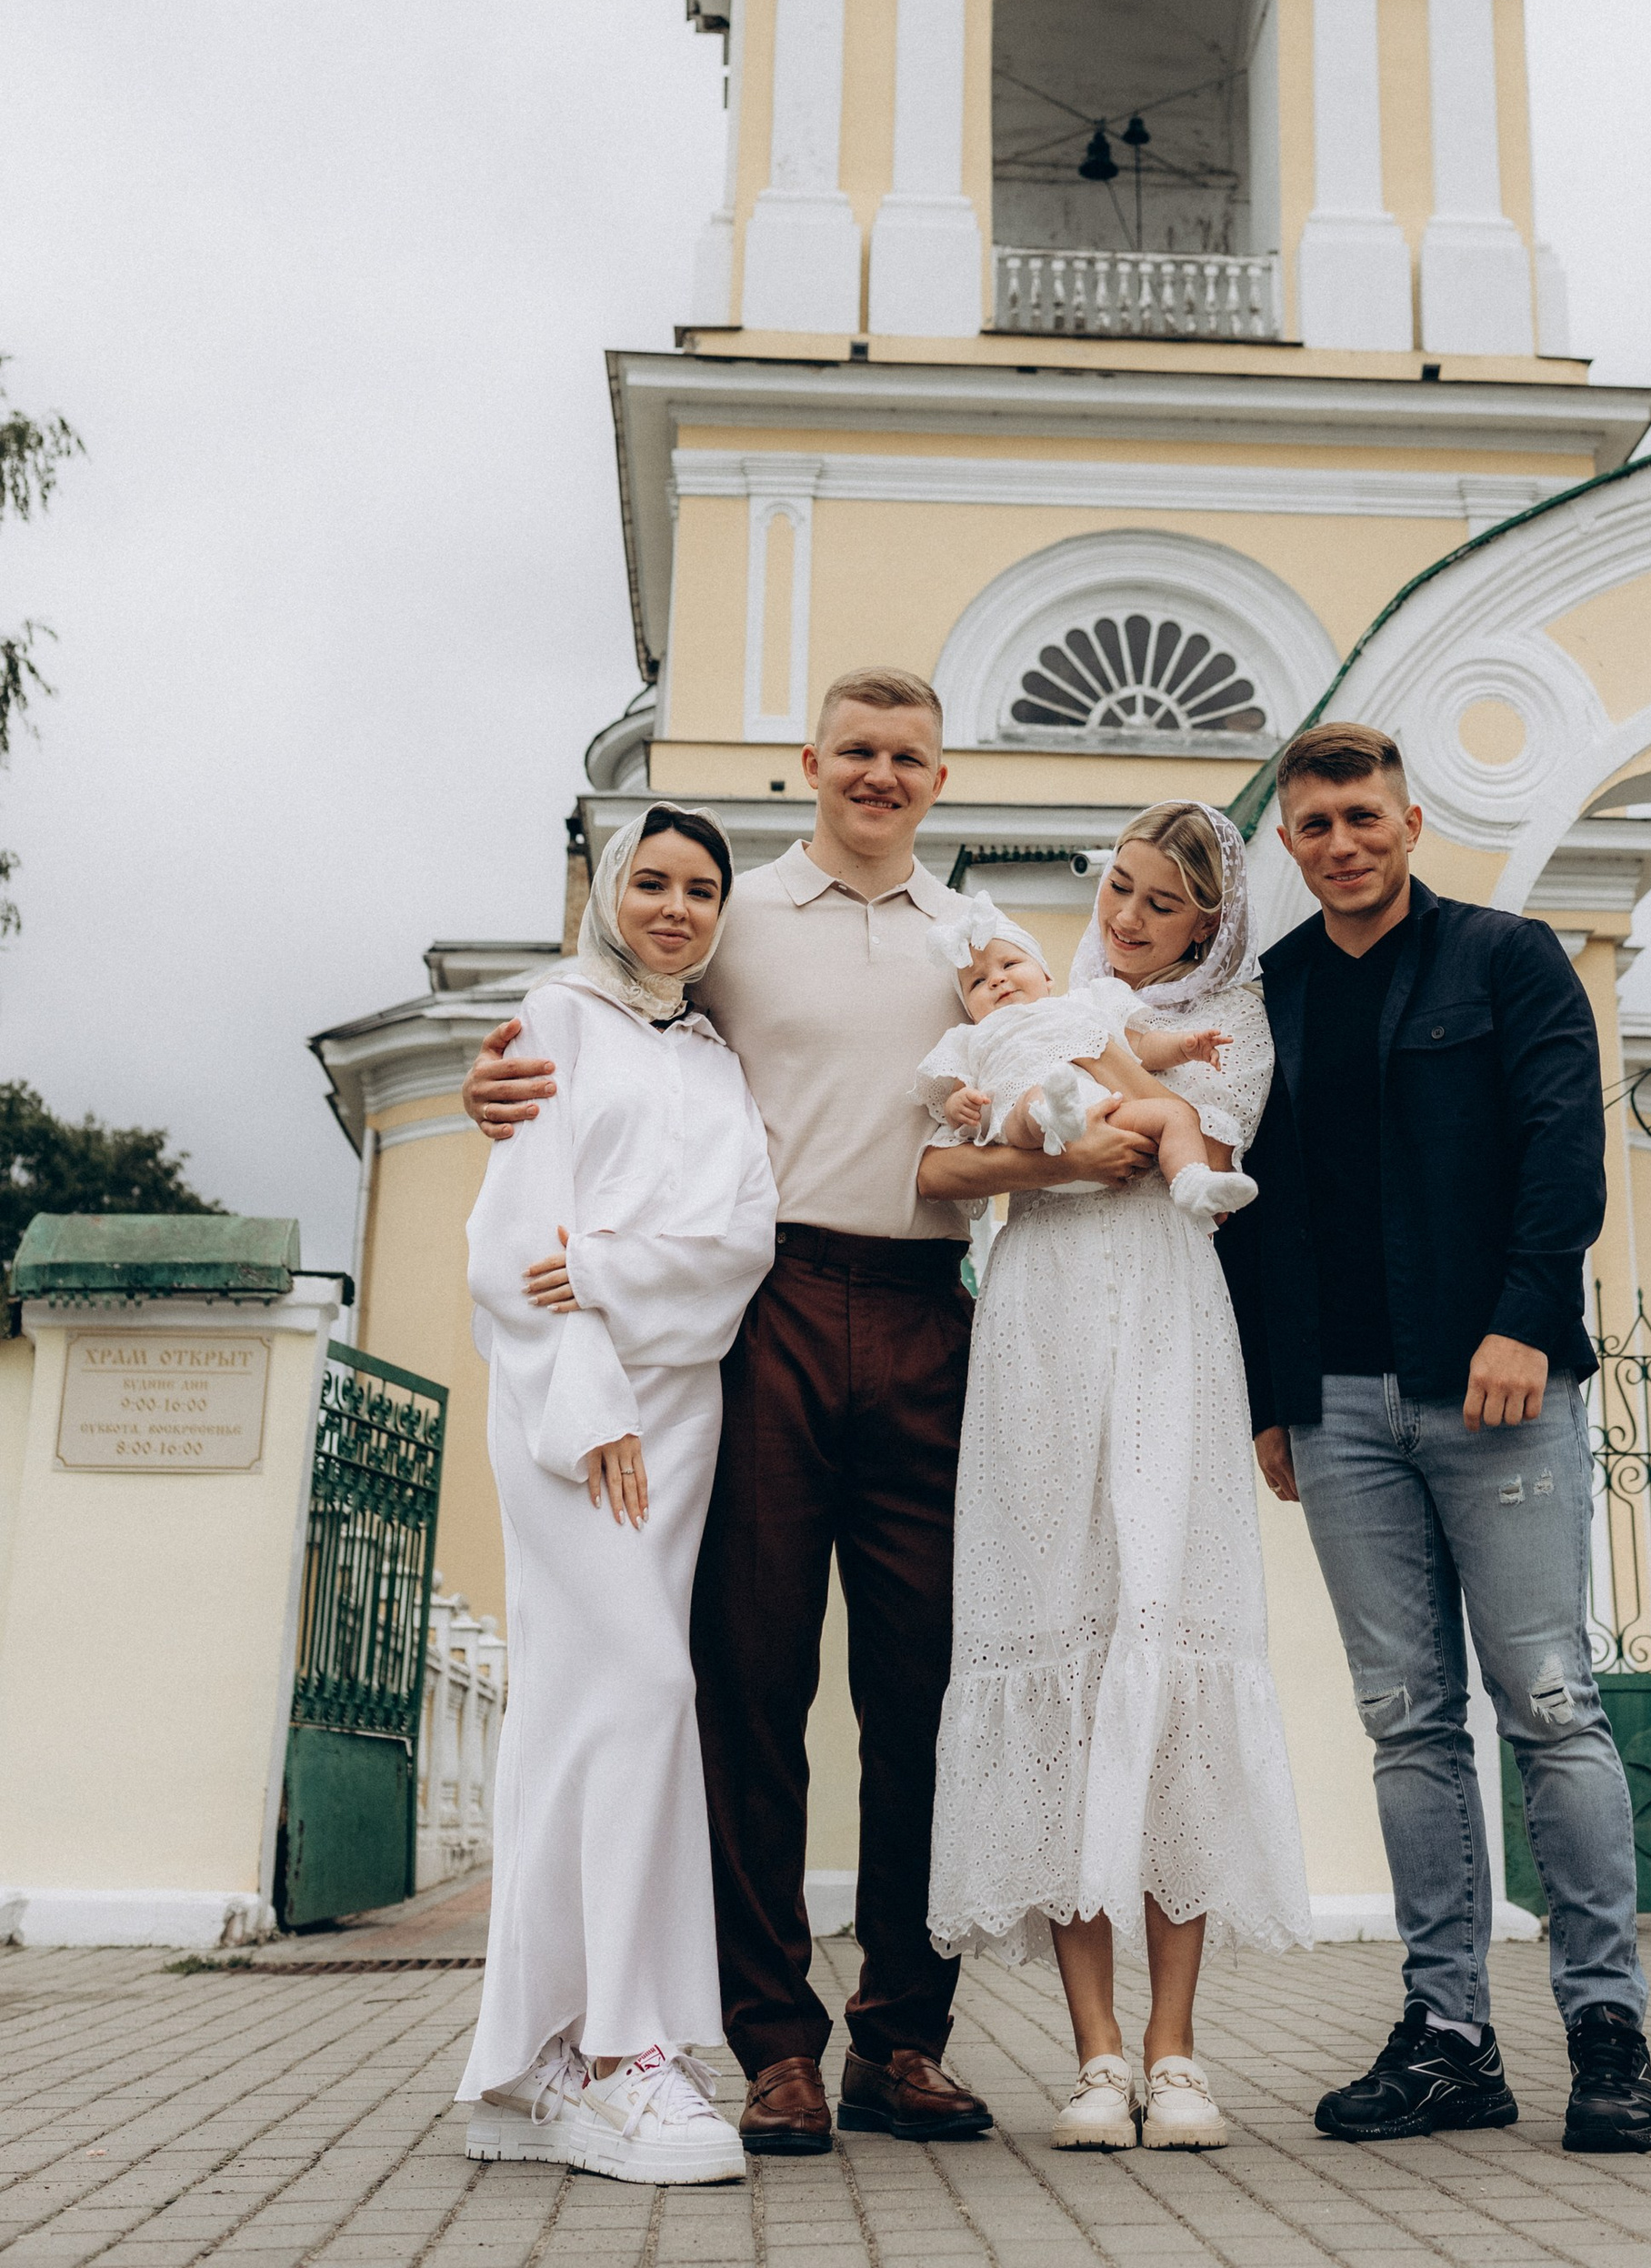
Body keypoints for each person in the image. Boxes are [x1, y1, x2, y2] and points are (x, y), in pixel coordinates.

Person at [461, 673, 1150, 2162]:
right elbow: (609, 1020)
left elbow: (1066, 1082)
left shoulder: (979, 936)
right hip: (767, 1321)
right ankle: (769, 2045)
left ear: (940, 778)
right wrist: (501, 1083)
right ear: (811, 765)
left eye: (909, 757)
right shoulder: (735, 920)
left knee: (924, 1699)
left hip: (928, 1314)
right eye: (858, 752)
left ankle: (903, 2040)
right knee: (749, 1686)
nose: (882, 775)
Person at [1217, 721, 1651, 2157]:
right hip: (1340, 1406)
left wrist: (1526, 1317)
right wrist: (1270, 1398)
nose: (1340, 844)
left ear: (1410, 822)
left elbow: (1562, 1149)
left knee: (1547, 1701)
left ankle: (1607, 2027)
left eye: (1361, 817)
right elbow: (1253, 1211)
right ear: (1288, 846)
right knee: (1407, 1720)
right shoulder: (1270, 993)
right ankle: (1451, 2035)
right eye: (1314, 828)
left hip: (1500, 1390)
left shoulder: (1507, 960)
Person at [920, 805, 1311, 2153]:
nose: (1131, 917)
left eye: (1162, 902)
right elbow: (948, 1162)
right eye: (1122, 892)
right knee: (1066, 1657)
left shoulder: (1236, 1025)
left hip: (1166, 1331)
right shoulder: (1053, 1003)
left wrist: (1065, 1138)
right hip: (1037, 1337)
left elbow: (1160, 1143)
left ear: (1211, 918)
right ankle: (1094, 2055)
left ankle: (1177, 2048)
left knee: (1171, 1652)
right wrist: (1049, 1149)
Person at [459, 806, 777, 2186]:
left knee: (584, 1715)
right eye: (650, 881)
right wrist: (586, 1385)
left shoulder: (713, 1057)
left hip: (683, 1407)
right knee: (645, 1691)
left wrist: (609, 1267)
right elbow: (512, 1243)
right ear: (607, 890)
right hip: (567, 1409)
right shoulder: (554, 1015)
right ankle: (621, 2054)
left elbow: (742, 1243)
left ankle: (532, 2068)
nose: (675, 906)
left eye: (701, 889)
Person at [921, 893, 1254, 1229]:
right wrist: (957, 1104)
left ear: (1047, 978)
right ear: (968, 1009)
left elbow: (1140, 1047)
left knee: (1175, 1114)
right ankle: (1056, 1116)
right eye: (978, 982)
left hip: (1103, 1116)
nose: (996, 979)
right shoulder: (971, 1037)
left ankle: (1190, 1181)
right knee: (1034, 1100)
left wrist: (1184, 1046)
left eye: (1009, 965)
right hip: (1027, 1128)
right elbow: (959, 1097)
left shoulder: (1082, 1004)